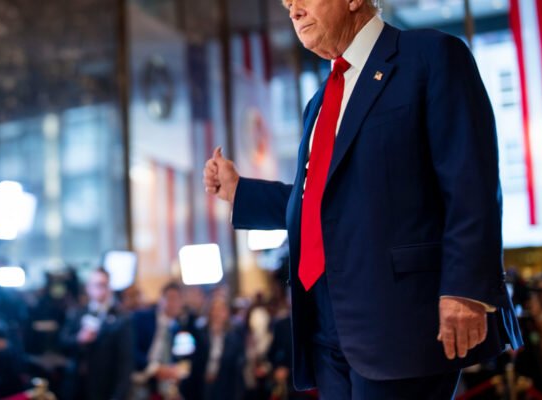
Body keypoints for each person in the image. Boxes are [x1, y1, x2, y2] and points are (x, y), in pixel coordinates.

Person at [204, 0, 523, 398]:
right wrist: (240, 192)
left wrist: (466, 288)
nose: (293, 10)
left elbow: (469, 180)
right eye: (287, 3)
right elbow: (322, 202)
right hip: (325, 325)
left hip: (402, 317)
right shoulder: (319, 102)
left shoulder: (430, 56)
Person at [60, 267, 133, 400]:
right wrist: (79, 339)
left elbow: (125, 362)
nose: (100, 289)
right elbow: (62, 343)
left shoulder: (121, 318)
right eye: (96, 285)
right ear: (88, 288)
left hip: (104, 387)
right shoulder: (77, 313)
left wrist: (119, 395)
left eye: (104, 285)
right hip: (77, 386)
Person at [132, 282, 199, 400]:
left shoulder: (177, 328)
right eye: (169, 298)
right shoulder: (142, 318)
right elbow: (130, 351)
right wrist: (155, 369)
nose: (172, 303)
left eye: (177, 299)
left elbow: (177, 358)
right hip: (138, 379)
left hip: (162, 385)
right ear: (161, 299)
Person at [188, 295, 245, 400]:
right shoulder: (200, 334)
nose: (217, 314)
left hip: (225, 386)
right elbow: (194, 362)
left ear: (226, 313)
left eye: (221, 310)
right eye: (214, 309)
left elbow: (236, 367)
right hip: (202, 385)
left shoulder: (234, 337)